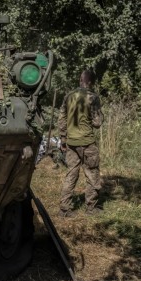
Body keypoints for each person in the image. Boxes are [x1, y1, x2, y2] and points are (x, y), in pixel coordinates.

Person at [58, 69, 104, 217]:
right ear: (90, 82)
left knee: (71, 174)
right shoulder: (93, 97)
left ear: (80, 80)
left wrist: (63, 139)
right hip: (87, 142)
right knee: (92, 174)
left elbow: (62, 119)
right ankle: (91, 208)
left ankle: (64, 209)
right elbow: (97, 123)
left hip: (71, 142)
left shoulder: (68, 96)